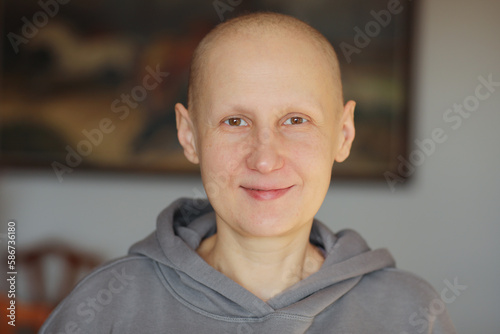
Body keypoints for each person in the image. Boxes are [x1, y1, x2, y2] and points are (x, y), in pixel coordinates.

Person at [40, 12, 456, 333]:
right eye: (234, 122)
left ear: (343, 134)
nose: (264, 159)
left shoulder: (412, 313)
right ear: (189, 136)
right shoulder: (105, 306)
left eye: (296, 120)